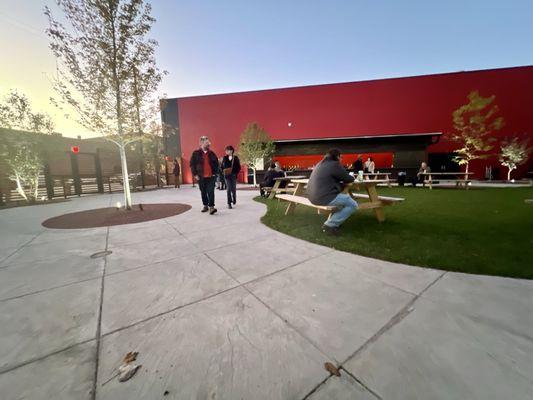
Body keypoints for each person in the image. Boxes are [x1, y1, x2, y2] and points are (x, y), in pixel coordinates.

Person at [307, 149, 357, 235]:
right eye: (341, 157)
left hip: (312, 196)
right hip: (323, 197)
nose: (341, 159)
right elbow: (349, 179)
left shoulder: (320, 164)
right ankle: (329, 225)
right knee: (352, 204)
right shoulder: (334, 164)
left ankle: (334, 222)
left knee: (342, 202)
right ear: (337, 157)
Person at [190, 136, 219, 214]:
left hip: (211, 177)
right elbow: (192, 164)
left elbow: (216, 164)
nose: (209, 144)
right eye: (206, 143)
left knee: (211, 191)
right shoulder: (196, 153)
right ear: (201, 143)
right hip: (201, 177)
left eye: (209, 142)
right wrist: (195, 174)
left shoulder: (212, 153)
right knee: (203, 192)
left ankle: (212, 207)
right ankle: (205, 205)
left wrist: (215, 174)